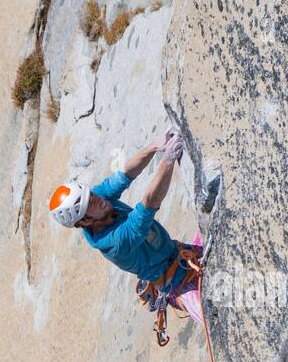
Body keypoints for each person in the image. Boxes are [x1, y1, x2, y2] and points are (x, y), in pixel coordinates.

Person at [48, 131, 203, 330]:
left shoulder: (97, 201)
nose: (98, 198)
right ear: (85, 221)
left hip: (182, 253)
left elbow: (124, 175)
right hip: (178, 285)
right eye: (90, 203)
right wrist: (168, 159)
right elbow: (149, 203)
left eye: (92, 195)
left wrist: (154, 147)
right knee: (216, 318)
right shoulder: (114, 243)